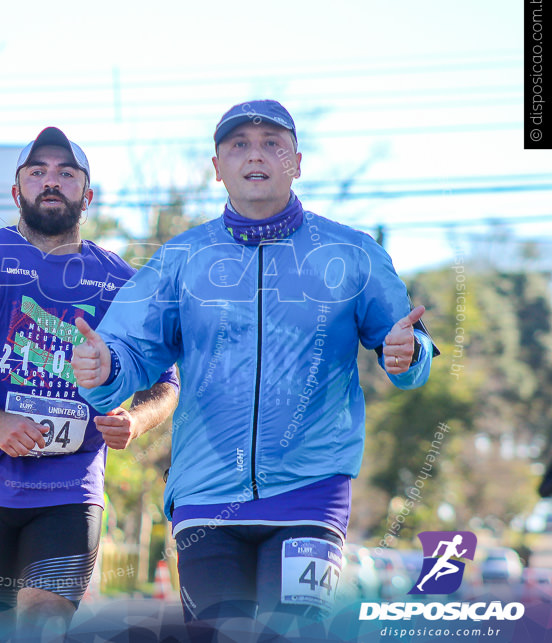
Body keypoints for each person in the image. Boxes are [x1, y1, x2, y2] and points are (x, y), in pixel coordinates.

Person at [72, 100, 436, 630]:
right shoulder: (181, 259)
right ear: (217, 167)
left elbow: (407, 344)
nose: (255, 155)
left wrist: (409, 354)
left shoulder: (353, 253)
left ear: (297, 161)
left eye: (272, 143)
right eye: (238, 145)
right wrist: (104, 369)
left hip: (310, 492)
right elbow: (128, 348)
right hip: (205, 498)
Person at [0, 127, 179, 641]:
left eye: (66, 174)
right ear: (17, 192)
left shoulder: (119, 282)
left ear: (86, 195)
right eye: (38, 172)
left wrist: (134, 420)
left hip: (70, 488)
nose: (51, 182)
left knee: (42, 624)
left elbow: (166, 382)